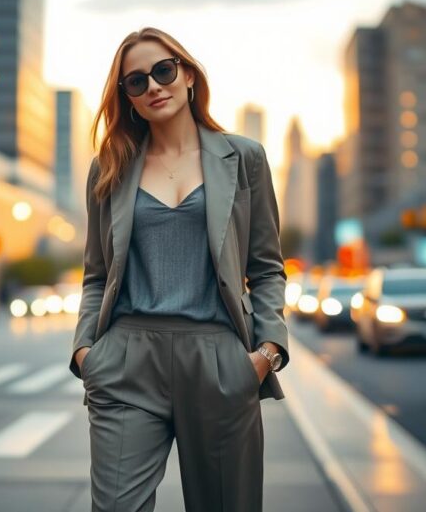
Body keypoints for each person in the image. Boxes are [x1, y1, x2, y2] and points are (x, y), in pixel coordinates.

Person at [69, 27, 289, 511]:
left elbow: (267, 268)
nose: (153, 86)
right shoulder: (109, 167)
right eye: (136, 81)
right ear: (127, 98)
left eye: (163, 71)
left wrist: (266, 352)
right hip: (126, 360)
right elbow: (97, 275)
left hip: (219, 361)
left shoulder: (244, 158)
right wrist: (87, 351)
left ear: (187, 75)